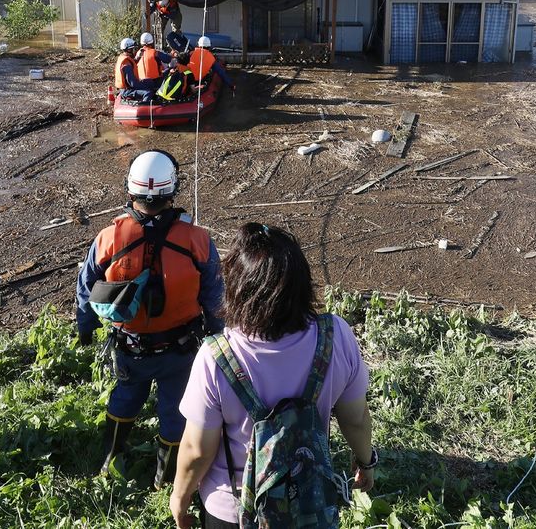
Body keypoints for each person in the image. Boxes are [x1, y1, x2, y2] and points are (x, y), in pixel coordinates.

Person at [170, 223, 375, 528]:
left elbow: (197, 451)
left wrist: (180, 498)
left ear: (237, 289)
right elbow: (355, 418)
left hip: (234, 510)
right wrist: (366, 461)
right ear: (302, 283)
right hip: (308, 501)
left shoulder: (216, 357)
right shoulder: (336, 336)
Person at [76, 150, 224, 489]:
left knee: (126, 395)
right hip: (180, 350)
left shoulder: (109, 238)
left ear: (130, 191)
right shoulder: (198, 240)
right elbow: (215, 297)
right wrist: (219, 337)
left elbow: (85, 288)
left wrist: (85, 328)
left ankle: (110, 460)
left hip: (130, 348)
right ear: (172, 191)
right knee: (175, 413)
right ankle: (164, 481)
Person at [114, 37, 157, 104]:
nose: (135, 51)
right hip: (127, 91)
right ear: (129, 50)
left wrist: (138, 57)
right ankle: (144, 109)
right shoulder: (126, 65)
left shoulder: (124, 58)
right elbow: (133, 84)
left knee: (150, 82)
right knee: (148, 92)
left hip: (127, 88)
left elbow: (133, 63)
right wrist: (147, 88)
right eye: (133, 49)